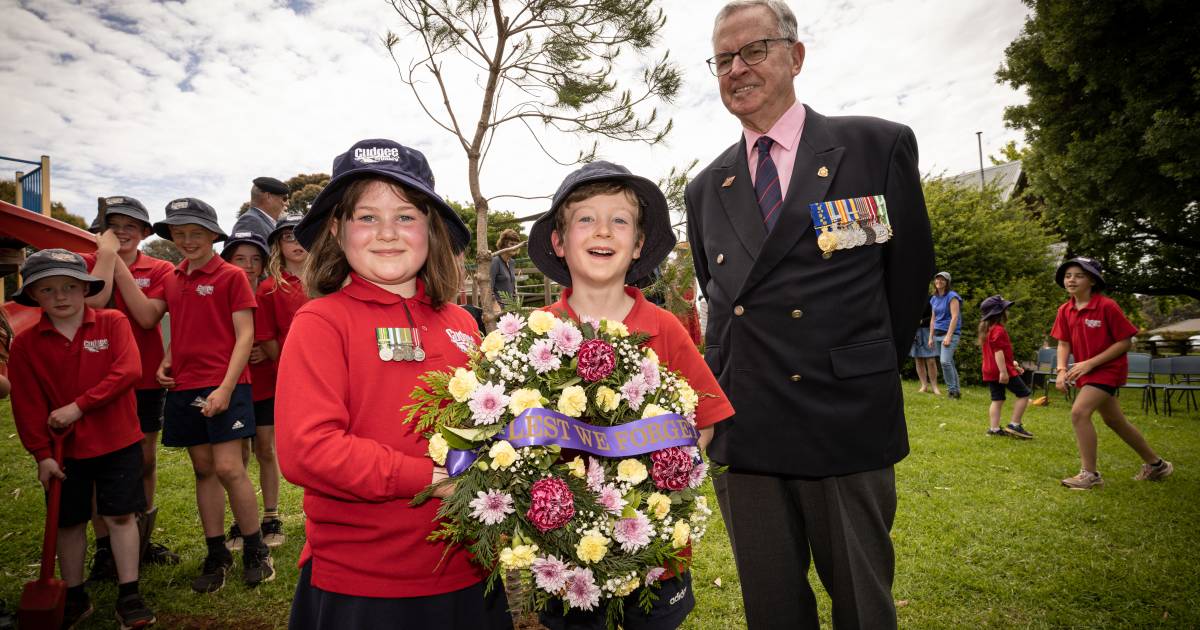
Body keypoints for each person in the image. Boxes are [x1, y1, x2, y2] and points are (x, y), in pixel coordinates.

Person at [684, 2, 935, 628]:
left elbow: (905, 282)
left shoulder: (874, 146)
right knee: (772, 608)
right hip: (750, 426)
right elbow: (719, 296)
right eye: (722, 60)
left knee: (862, 604)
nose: (736, 69)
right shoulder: (705, 186)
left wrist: (862, 366)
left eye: (754, 50)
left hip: (844, 418)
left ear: (795, 55)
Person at [275, 139, 511, 630]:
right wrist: (430, 479)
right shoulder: (321, 321)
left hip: (468, 572)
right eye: (367, 217)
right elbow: (306, 449)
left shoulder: (463, 324)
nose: (387, 233)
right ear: (337, 231)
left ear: (431, 230)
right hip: (363, 583)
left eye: (406, 216)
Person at [528, 161, 734, 629]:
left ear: (638, 244)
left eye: (620, 220)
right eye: (585, 218)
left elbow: (704, 420)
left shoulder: (664, 328)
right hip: (563, 557)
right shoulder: (535, 335)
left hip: (656, 550)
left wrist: (653, 490)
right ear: (559, 242)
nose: (603, 229)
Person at [7, 249, 156, 628]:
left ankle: (130, 593)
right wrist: (41, 454)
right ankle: (74, 594)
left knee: (121, 516)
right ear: (34, 295)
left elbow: (129, 370)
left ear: (85, 289)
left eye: (70, 287)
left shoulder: (112, 322)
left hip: (119, 441)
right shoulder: (26, 344)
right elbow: (26, 404)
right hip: (65, 452)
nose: (61, 297)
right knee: (68, 522)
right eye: (48, 289)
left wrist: (78, 407)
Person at [152, 198, 274, 592]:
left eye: (196, 234)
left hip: (227, 385)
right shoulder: (172, 278)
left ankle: (256, 548)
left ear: (213, 236)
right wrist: (167, 360)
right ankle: (216, 551)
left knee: (228, 467)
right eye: (179, 233)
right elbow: (185, 330)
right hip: (185, 386)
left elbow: (245, 336)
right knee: (202, 469)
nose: (187, 241)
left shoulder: (231, 276)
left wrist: (224, 388)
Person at [79, 196, 181, 579]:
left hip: (142, 376)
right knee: (95, 460)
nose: (122, 232)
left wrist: (117, 263)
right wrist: (106, 259)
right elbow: (95, 304)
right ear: (101, 230)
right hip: (93, 378)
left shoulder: (160, 268)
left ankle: (140, 537)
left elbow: (146, 315)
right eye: (115, 225)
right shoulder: (87, 264)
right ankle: (106, 546)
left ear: (143, 232)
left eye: (131, 226)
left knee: (143, 457)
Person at [1052, 257, 1172, 490]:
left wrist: (1089, 363)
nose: (1072, 280)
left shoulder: (1107, 306)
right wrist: (1061, 370)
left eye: (1079, 275)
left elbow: (1124, 342)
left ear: (1093, 281)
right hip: (1085, 371)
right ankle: (1157, 465)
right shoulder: (1065, 310)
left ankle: (1090, 474)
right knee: (1115, 421)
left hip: (1107, 370)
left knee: (1079, 412)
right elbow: (1063, 343)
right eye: (1068, 276)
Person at [219, 220, 284, 551]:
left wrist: (264, 350)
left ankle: (271, 515)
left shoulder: (269, 291)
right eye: (239, 258)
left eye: (254, 259)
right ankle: (242, 518)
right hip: (229, 383)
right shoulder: (220, 290)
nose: (247, 266)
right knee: (236, 455)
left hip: (264, 382)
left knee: (265, 447)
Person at [250, 213, 310, 546]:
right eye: (288, 237)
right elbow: (268, 336)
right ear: (278, 245)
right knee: (283, 445)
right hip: (286, 374)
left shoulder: (329, 280)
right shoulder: (270, 286)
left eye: (302, 235)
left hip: (331, 371)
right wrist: (289, 365)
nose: (296, 243)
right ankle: (275, 514)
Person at [978, 295, 1032, 438]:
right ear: (999, 313)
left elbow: (996, 353)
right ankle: (1015, 425)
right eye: (1005, 309)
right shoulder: (999, 330)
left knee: (997, 399)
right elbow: (998, 352)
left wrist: (1013, 364)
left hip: (990, 369)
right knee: (1024, 394)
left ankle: (994, 429)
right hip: (1000, 370)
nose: (1007, 312)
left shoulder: (987, 329)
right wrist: (1004, 372)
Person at [928, 271, 963, 399]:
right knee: (949, 362)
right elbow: (933, 319)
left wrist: (949, 335)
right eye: (937, 279)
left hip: (950, 334)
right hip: (937, 333)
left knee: (945, 362)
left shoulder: (952, 296)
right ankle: (957, 390)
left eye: (942, 279)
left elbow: (955, 317)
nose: (939, 281)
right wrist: (930, 337)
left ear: (947, 282)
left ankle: (952, 391)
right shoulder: (934, 298)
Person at [909, 302, 940, 395]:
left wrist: (922, 321)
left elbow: (936, 316)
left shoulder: (931, 298)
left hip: (928, 330)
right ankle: (924, 385)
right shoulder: (911, 299)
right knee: (918, 359)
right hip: (915, 330)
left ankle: (934, 386)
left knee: (931, 360)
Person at [490, 228, 522, 312]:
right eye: (512, 244)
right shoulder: (495, 261)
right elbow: (488, 287)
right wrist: (494, 304)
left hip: (511, 307)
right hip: (498, 308)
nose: (515, 247)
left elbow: (512, 286)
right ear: (504, 244)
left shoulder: (512, 262)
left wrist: (516, 304)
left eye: (516, 244)